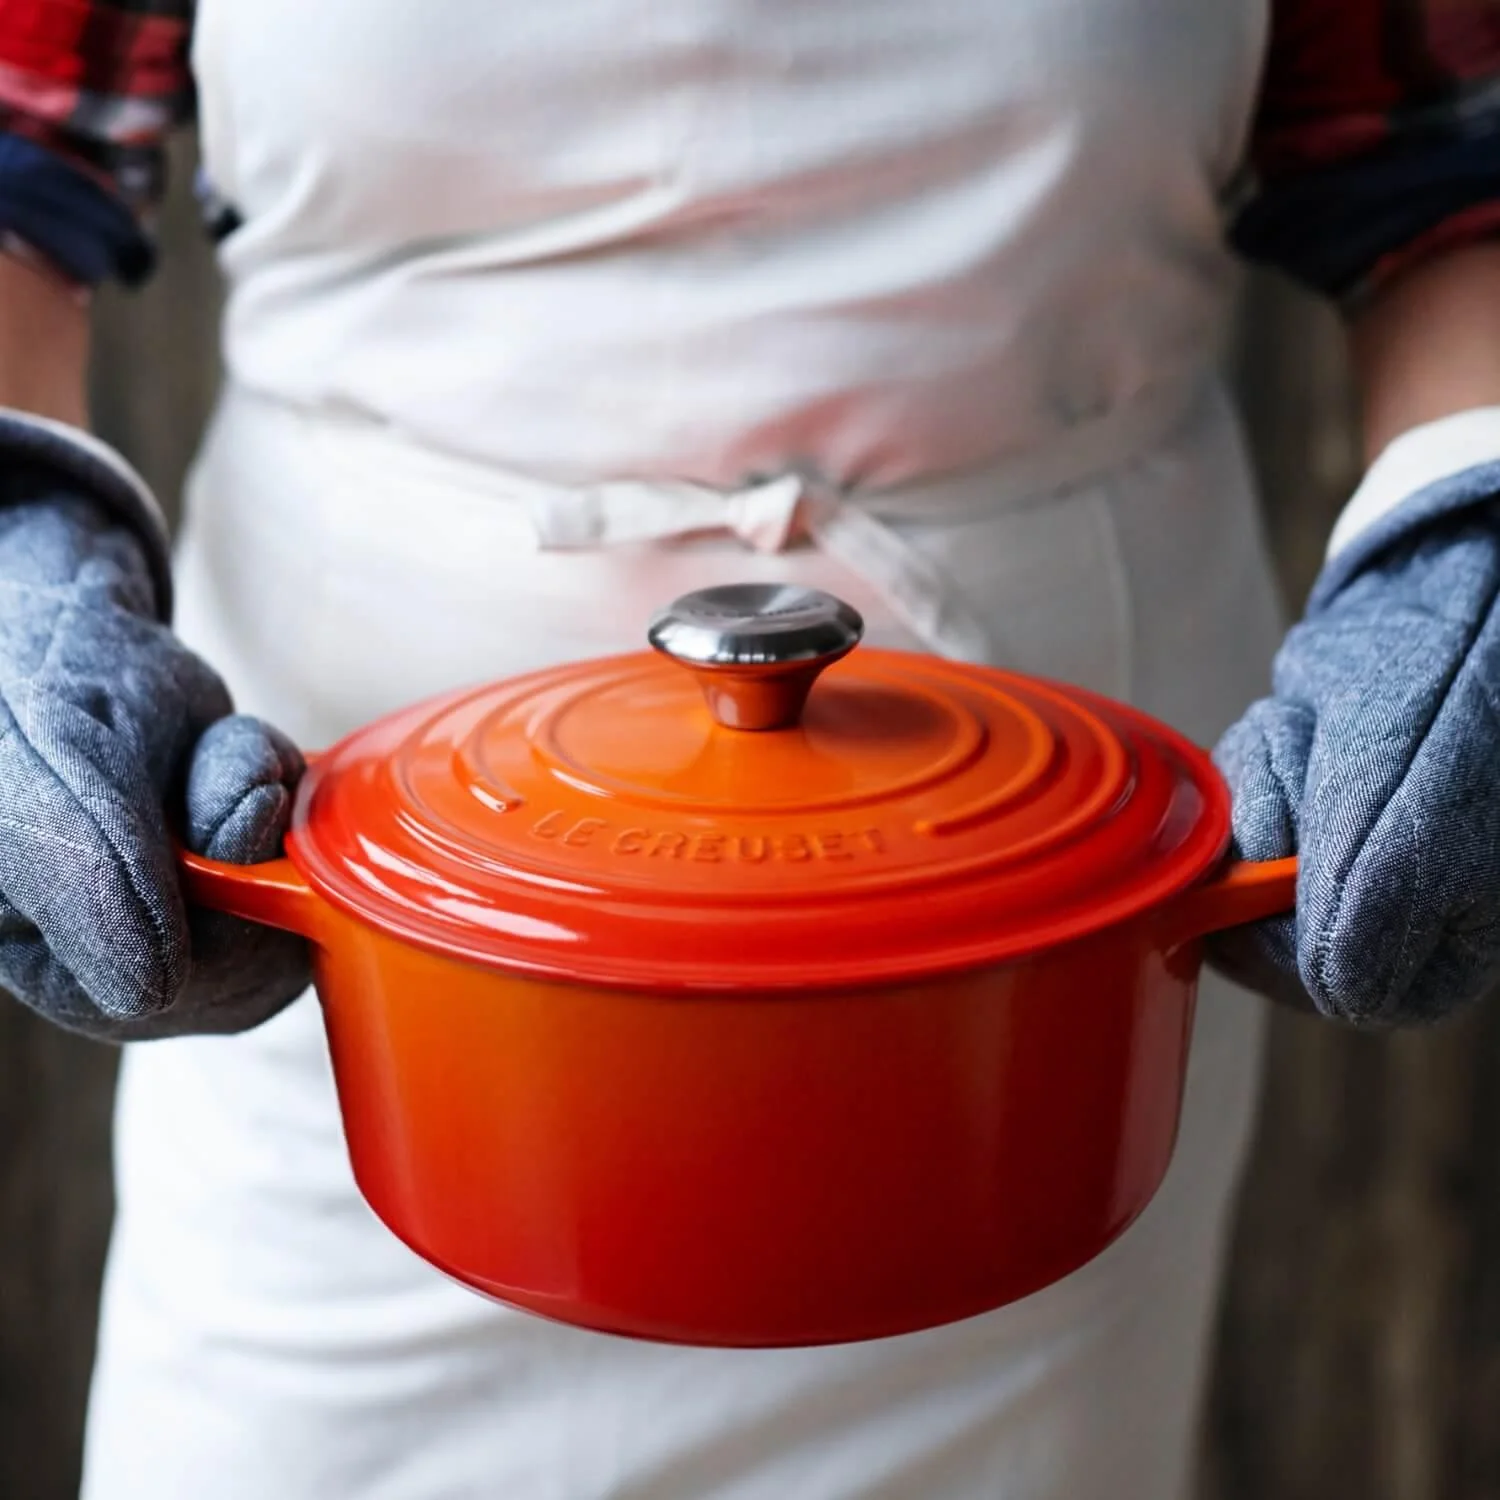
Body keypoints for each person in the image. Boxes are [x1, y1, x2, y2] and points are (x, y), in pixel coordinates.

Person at [1, 2, 1498, 1495]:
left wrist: (1462, 536)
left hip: (1040, 1008)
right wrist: (17, 540)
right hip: (366, 960)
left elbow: (1448, 177)